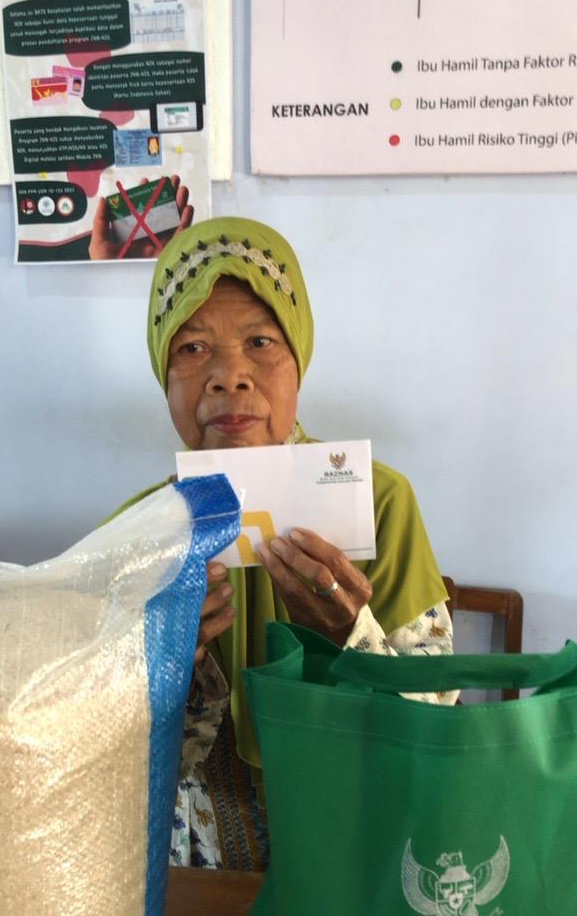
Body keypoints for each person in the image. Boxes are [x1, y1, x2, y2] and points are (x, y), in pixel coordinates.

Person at [109, 216, 457, 870]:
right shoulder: (141, 531)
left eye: (260, 341)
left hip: (359, 845)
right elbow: (103, 761)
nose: (229, 376)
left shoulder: (375, 502)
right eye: (192, 347)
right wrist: (170, 661)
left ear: (299, 358)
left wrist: (350, 637)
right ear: (164, 373)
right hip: (197, 859)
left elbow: (435, 722)